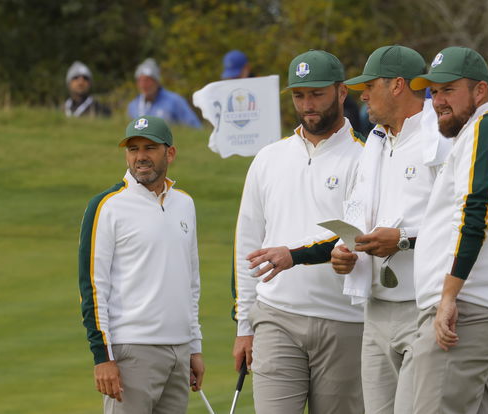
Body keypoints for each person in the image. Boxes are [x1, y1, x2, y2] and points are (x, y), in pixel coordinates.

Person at [251, 45, 450, 413]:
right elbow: (358, 228)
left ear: (397, 86)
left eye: (369, 86)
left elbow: (454, 224)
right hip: (374, 307)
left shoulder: (439, 140)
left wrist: (403, 241)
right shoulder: (376, 142)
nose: (364, 95)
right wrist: (344, 253)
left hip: (423, 307)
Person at [232, 50, 366, 413]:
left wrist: (297, 256)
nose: (307, 105)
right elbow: (247, 244)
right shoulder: (268, 158)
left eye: (317, 94)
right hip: (276, 316)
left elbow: (358, 237)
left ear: (341, 93)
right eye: (299, 95)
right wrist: (245, 325)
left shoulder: (367, 157)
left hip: (346, 322)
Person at [409, 46, 488, 414]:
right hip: (487, 305)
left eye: (448, 90)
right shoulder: (480, 131)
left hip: (474, 308)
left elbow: (475, 214)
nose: (437, 101)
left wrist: (448, 296)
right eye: (434, 92)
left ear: (480, 91)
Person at [78, 115, 204, 413]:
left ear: (169, 153)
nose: (140, 157)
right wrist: (102, 357)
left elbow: (191, 283)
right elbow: (93, 286)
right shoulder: (107, 205)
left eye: (150, 148)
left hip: (179, 351)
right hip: (131, 353)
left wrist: (194, 346)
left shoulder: (184, 203)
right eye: (133, 149)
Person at [127, 58, 202, 128]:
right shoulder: (133, 106)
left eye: (148, 80)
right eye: (140, 80)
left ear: (157, 82)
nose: (144, 85)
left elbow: (195, 128)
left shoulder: (175, 101)